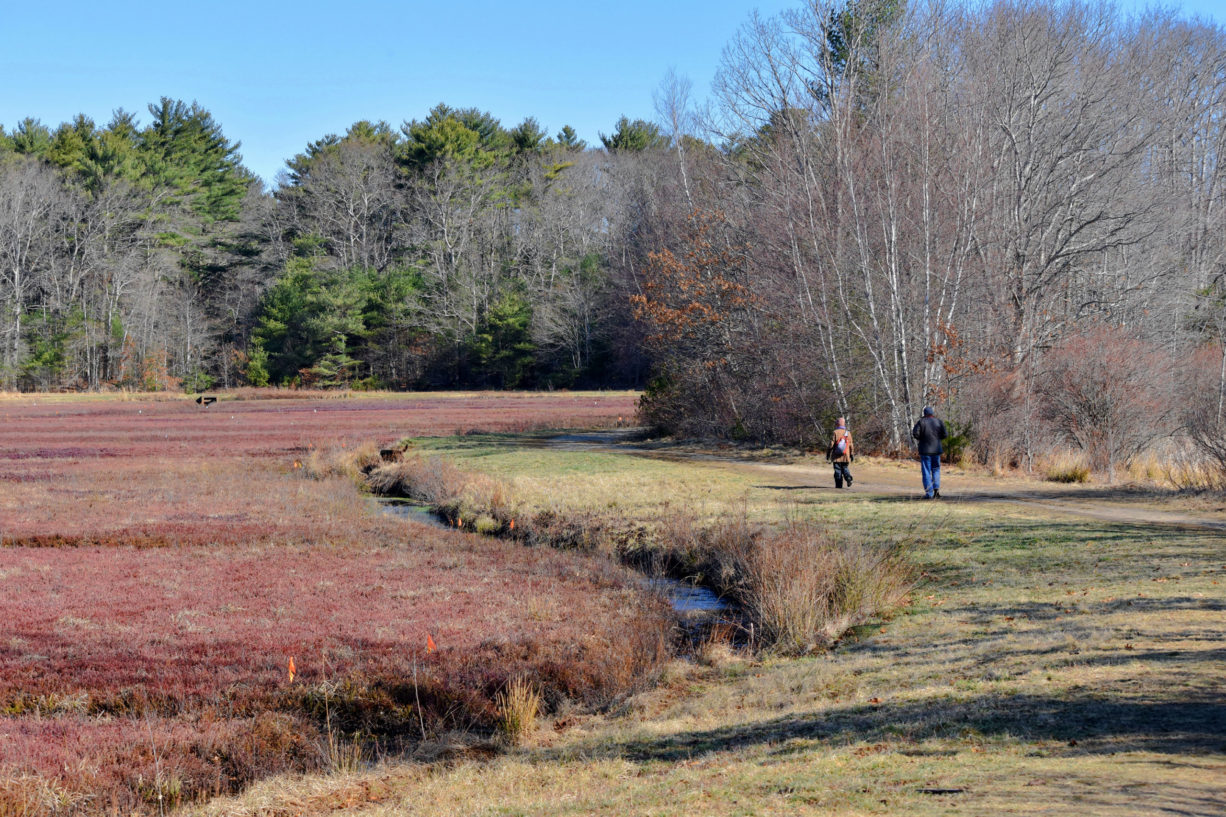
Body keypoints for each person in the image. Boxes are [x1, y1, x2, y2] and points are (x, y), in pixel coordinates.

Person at [911, 406, 947, 499]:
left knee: (926, 471)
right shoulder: (938, 421)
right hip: (936, 450)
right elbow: (945, 434)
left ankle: (929, 493)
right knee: (936, 470)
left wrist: (921, 439)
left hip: (925, 451)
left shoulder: (921, 422)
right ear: (932, 413)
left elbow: (915, 433)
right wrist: (937, 439)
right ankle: (936, 491)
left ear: (924, 413)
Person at [827, 417, 854, 489]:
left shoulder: (835, 432)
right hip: (846, 455)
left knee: (837, 470)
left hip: (836, 456)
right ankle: (848, 478)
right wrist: (852, 454)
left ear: (837, 424)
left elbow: (831, 444)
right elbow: (851, 445)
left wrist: (828, 453)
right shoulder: (848, 433)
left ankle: (839, 486)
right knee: (845, 468)